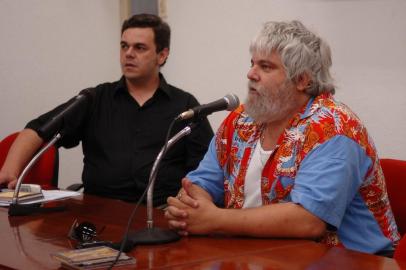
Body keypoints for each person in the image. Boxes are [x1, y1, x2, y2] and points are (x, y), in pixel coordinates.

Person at [165, 20, 399, 255]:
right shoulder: (241, 120)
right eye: (252, 63)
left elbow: (308, 220)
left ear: (302, 80)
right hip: (263, 254)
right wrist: (190, 209)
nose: (251, 74)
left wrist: (215, 219)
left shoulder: (335, 129)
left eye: (265, 67)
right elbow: (202, 182)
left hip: (353, 260)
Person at [0, 14, 213, 206]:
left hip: (160, 214)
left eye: (139, 48)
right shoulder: (94, 99)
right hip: (98, 213)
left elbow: (206, 169)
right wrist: (9, 171)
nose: (128, 54)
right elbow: (36, 130)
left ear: (162, 55)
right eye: (124, 46)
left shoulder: (185, 106)